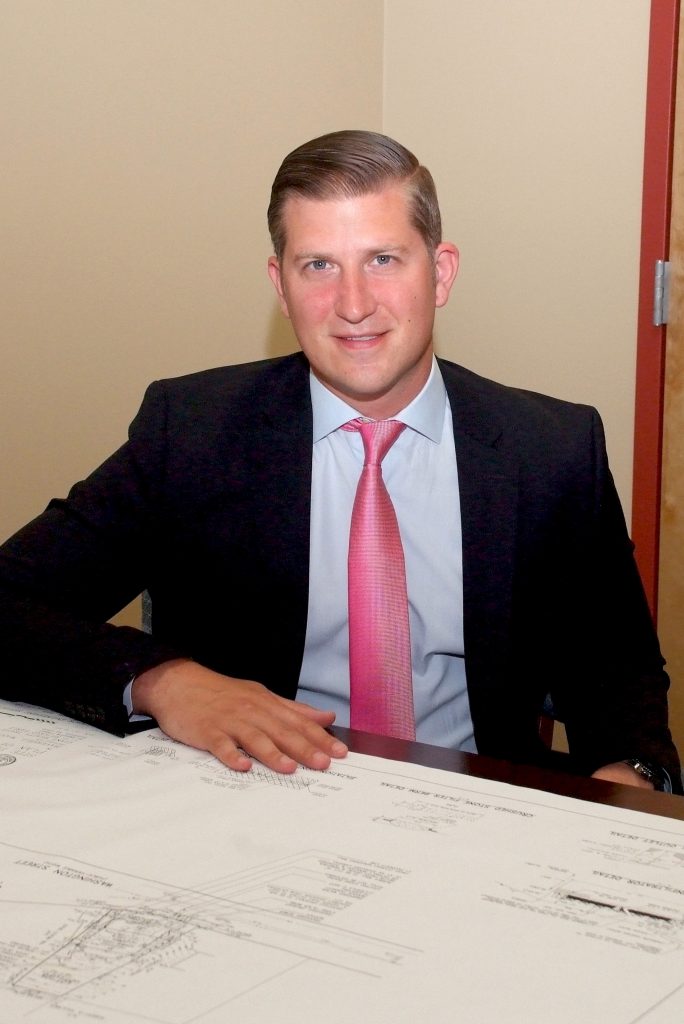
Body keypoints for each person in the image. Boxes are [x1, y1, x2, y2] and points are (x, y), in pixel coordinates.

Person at [0, 130, 679, 792]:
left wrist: (632, 776)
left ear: (440, 272)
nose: (353, 305)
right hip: (254, 796)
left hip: (476, 806)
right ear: (281, 284)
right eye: (318, 265)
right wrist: (162, 678)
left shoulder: (551, 449)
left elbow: (618, 672)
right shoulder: (195, 433)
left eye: (384, 259)